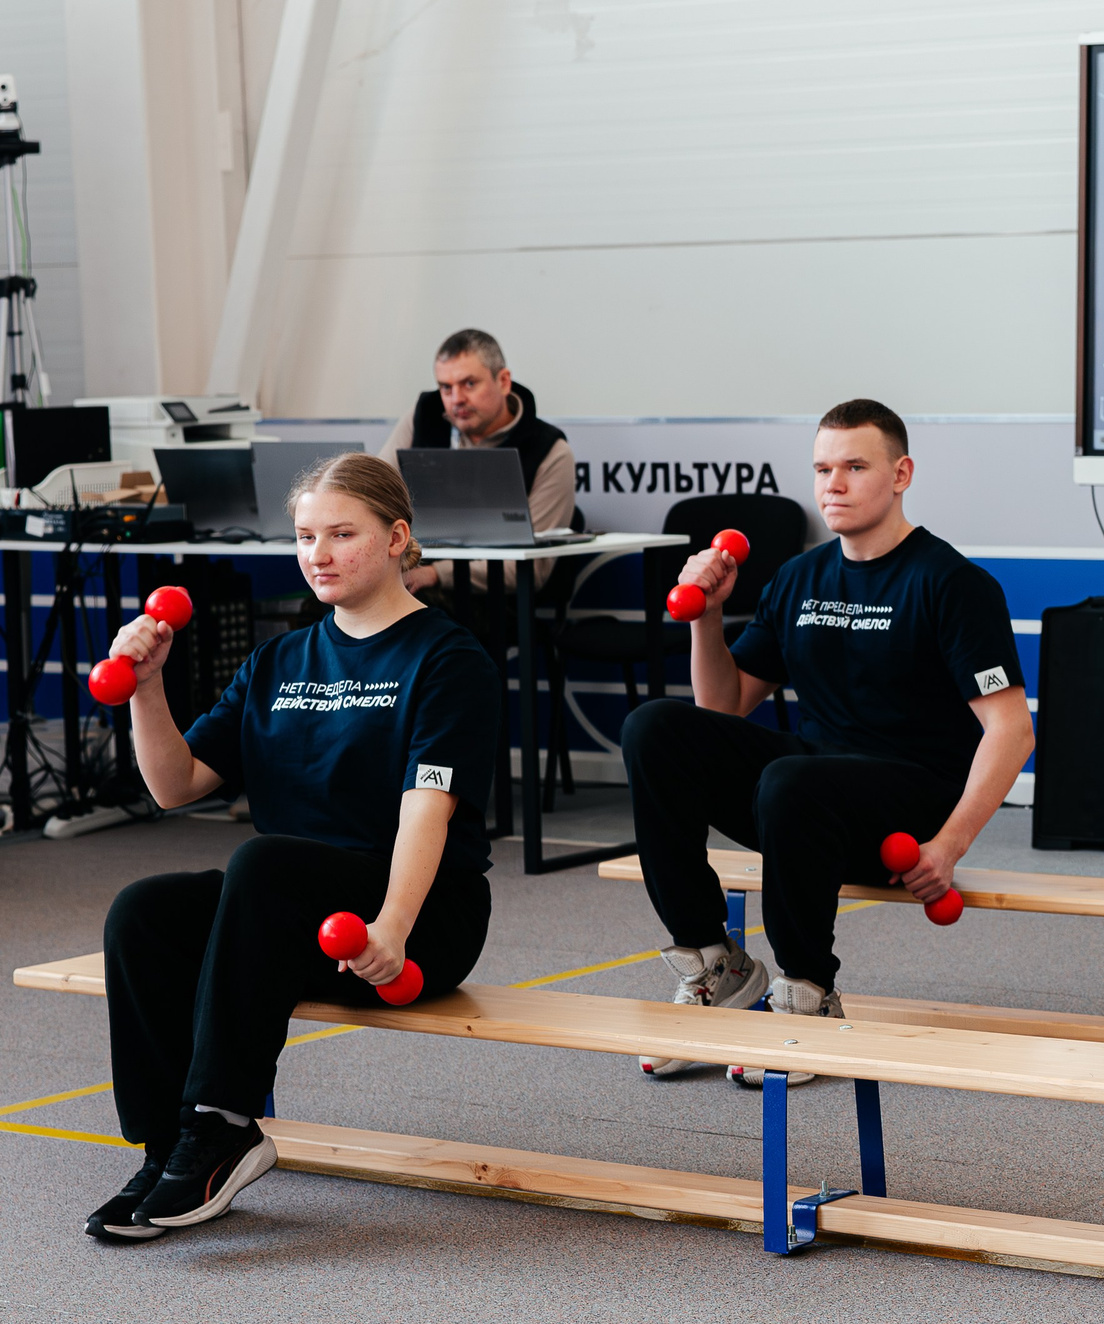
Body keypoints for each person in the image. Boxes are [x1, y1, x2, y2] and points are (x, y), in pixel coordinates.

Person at [86, 454, 501, 1241]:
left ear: (397, 538)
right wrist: (146, 686)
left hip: (417, 916)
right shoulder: (279, 660)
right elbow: (176, 784)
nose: (320, 553)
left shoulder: (448, 660)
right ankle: (167, 1144)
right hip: (284, 911)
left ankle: (222, 1123)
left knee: (262, 862)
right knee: (145, 910)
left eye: (343, 534)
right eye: (307, 535)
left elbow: (428, 814)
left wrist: (391, 927)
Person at [619, 399, 1035, 1074]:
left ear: (901, 474)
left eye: (854, 466)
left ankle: (808, 993)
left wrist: (949, 845)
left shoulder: (953, 583)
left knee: (791, 778)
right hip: (807, 795)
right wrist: (709, 616)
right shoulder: (800, 577)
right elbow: (723, 707)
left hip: (908, 799)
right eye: (821, 468)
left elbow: (1012, 730)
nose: (833, 484)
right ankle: (714, 965)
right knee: (653, 728)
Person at [378, 327, 577, 593]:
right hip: (410, 579)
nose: (456, 399)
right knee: (326, 610)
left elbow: (534, 568)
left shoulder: (549, 450)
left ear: (503, 381)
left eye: (469, 384)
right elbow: (373, 493)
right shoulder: (423, 416)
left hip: (493, 603)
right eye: (446, 388)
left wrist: (435, 574)